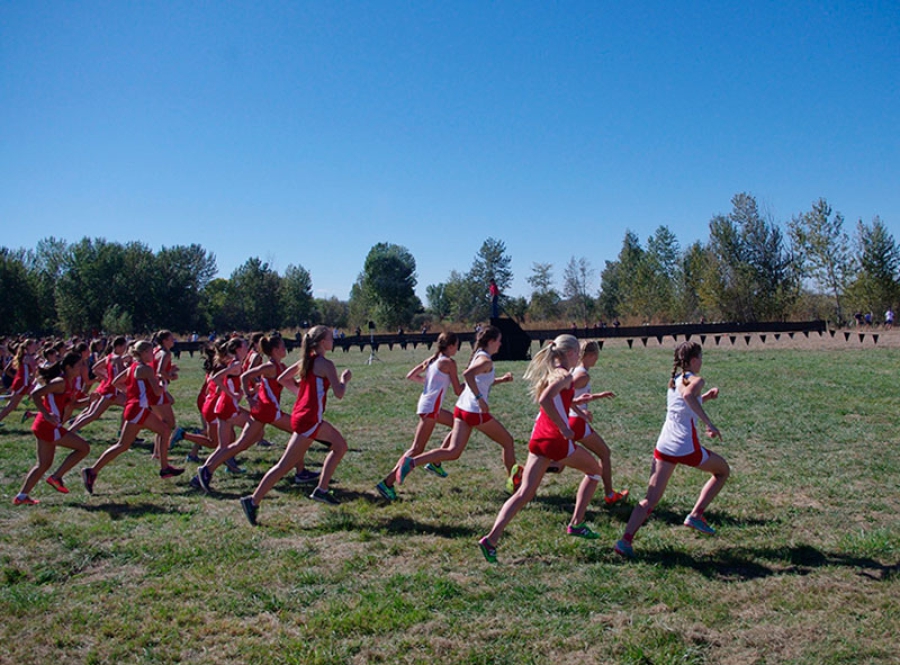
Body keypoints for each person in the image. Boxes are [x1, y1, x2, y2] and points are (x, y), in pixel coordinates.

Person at [477, 335, 607, 563]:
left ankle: (491, 539)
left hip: (538, 438)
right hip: (556, 440)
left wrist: (577, 407)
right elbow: (546, 400)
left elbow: (556, 399)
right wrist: (563, 428)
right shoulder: (565, 374)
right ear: (569, 354)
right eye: (577, 352)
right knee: (595, 470)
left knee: (524, 494)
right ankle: (576, 523)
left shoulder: (553, 372)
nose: (578, 356)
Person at [614, 341, 729, 558]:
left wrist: (705, 399)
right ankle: (696, 515)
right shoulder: (696, 379)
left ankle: (625, 541)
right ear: (694, 360)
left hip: (664, 445)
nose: (702, 362)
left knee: (650, 499)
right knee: (722, 471)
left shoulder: (675, 380)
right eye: (701, 357)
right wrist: (709, 424)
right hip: (685, 445)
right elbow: (687, 397)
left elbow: (684, 403)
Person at [239, 325, 351, 525]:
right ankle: (253, 501)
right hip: (309, 420)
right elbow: (340, 393)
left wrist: (302, 393)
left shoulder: (305, 361)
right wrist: (344, 379)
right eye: (329, 337)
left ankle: (322, 490)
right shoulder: (326, 364)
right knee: (285, 465)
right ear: (322, 342)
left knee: (340, 446)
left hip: (307, 417)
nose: (333, 339)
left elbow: (283, 379)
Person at [394, 325, 521, 495]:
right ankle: (514, 485)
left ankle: (411, 463)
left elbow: (479, 381)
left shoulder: (479, 355)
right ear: (491, 341)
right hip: (475, 411)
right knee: (508, 442)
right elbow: (468, 375)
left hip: (462, 409)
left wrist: (501, 380)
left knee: (453, 452)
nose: (500, 344)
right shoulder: (486, 360)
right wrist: (480, 399)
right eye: (498, 341)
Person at [81, 341, 184, 495]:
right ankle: (92, 471)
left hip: (136, 407)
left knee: (163, 429)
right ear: (142, 353)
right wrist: (164, 381)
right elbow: (157, 392)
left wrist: (132, 394)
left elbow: (116, 382)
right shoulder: (146, 369)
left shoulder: (133, 367)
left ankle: (165, 468)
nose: (153, 355)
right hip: (137, 409)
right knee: (122, 445)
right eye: (150, 352)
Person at [375, 332, 463, 501]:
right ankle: (387, 483)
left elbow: (411, 376)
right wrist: (476, 382)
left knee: (459, 424)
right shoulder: (449, 362)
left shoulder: (434, 359)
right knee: (416, 449)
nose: (457, 348)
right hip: (431, 408)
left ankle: (436, 462)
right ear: (450, 346)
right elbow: (458, 390)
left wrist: (431, 383)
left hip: (427, 406)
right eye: (456, 345)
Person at [13, 352, 91, 504]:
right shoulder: (60, 382)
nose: (81, 368)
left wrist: (90, 400)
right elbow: (36, 395)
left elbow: (73, 404)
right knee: (84, 448)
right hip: (48, 426)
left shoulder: (70, 382)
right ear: (68, 367)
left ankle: (21, 497)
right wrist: (47, 415)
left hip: (47, 426)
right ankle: (56, 477)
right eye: (79, 365)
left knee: (43, 464)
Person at [558, 340, 628, 506]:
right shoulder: (583, 374)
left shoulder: (577, 370)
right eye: (596, 355)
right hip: (576, 422)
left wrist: (598, 396)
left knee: (558, 464)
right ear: (590, 355)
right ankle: (610, 494)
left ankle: (526, 477)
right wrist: (582, 413)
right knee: (604, 453)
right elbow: (564, 396)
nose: (597, 359)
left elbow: (572, 397)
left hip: (573, 420)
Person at [0, 338, 38, 425]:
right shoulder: (28, 357)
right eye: (33, 345)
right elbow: (34, 371)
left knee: (12, 403)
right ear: (28, 346)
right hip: (23, 383)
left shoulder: (26, 356)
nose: (35, 346)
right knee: (12, 405)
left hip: (22, 382)